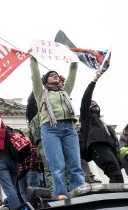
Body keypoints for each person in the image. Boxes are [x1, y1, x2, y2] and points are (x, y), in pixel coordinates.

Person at [30, 56, 86, 200]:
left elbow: (73, 71)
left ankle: (80, 190)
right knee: (57, 165)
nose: (54, 75)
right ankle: (61, 194)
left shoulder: (65, 91)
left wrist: (74, 58)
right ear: (45, 81)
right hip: (50, 129)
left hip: (69, 128)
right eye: (50, 75)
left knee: (75, 164)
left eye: (56, 74)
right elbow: (35, 75)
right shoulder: (41, 93)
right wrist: (33, 59)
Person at [79, 70, 124, 183]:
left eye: (96, 104)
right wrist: (94, 81)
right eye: (91, 104)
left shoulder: (105, 125)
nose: (94, 104)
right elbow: (85, 100)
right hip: (98, 148)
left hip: (110, 150)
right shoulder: (86, 119)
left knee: (118, 176)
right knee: (116, 175)